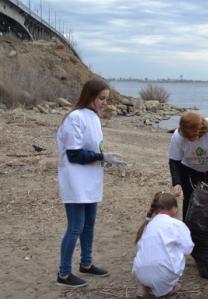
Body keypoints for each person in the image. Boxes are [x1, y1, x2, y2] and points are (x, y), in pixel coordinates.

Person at [56, 78, 127, 288]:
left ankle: (86, 264)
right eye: (101, 98)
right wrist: (103, 157)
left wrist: (106, 160)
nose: (105, 102)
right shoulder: (74, 118)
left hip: (91, 179)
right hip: (76, 181)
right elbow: (75, 154)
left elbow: (94, 147)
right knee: (75, 227)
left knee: (89, 224)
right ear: (90, 96)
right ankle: (63, 273)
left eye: (106, 98)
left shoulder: (94, 117)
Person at [168, 111, 208, 220]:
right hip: (188, 168)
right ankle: (189, 227)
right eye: (186, 137)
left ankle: (206, 227)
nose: (189, 140)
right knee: (190, 198)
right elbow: (174, 161)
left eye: (192, 137)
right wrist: (176, 182)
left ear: (200, 129)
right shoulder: (178, 136)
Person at [132, 191, 194, 298]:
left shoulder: (148, 225)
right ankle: (167, 289)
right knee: (177, 252)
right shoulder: (177, 225)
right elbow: (188, 248)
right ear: (173, 208)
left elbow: (139, 248)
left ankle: (145, 286)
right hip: (163, 275)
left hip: (140, 272)